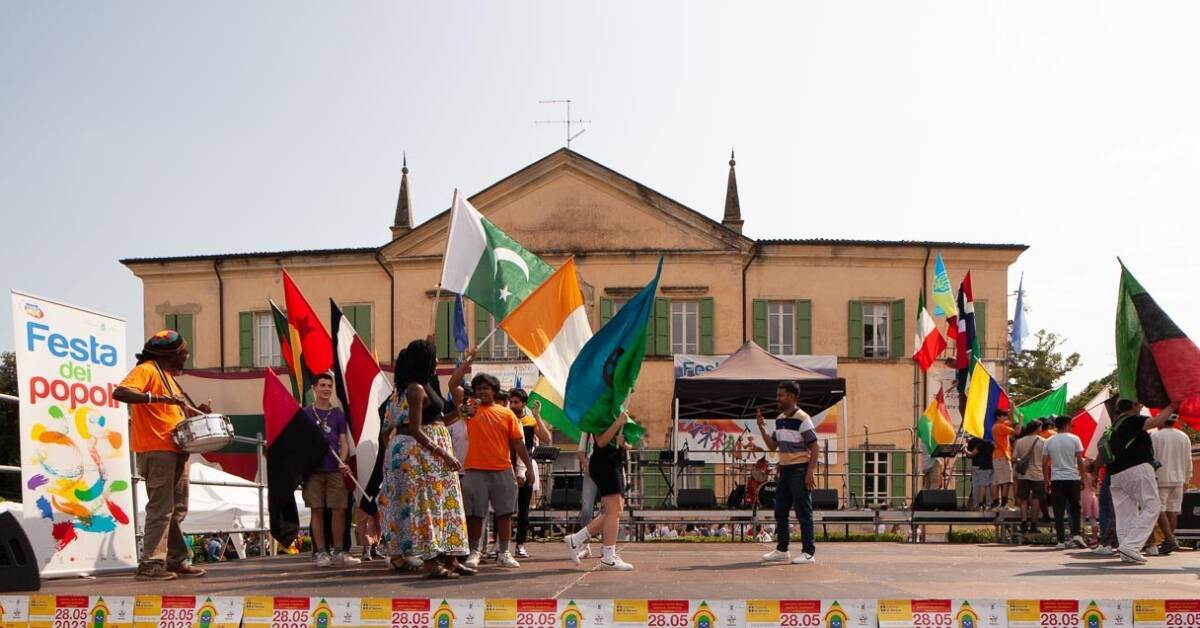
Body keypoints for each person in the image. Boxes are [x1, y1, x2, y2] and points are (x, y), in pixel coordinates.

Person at [113, 330, 209, 581]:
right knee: (161, 508)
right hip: (156, 449)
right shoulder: (146, 369)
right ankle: (150, 565)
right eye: (184, 352)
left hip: (175, 447)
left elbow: (172, 408)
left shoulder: (167, 376)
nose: (186, 356)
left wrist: (198, 412)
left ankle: (174, 560)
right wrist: (156, 396)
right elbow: (121, 392)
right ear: (172, 354)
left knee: (177, 508)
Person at [388, 339, 473, 579]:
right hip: (426, 454)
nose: (437, 360)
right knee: (430, 507)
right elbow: (416, 428)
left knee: (448, 504)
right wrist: (444, 453)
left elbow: (438, 420)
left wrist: (462, 412)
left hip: (437, 445)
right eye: (434, 356)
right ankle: (432, 562)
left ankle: (452, 558)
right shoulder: (415, 388)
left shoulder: (427, 384)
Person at [462, 373, 535, 569]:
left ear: (494, 391)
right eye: (478, 388)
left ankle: (504, 552)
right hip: (475, 468)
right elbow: (454, 389)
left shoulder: (507, 414)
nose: (482, 392)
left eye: (486, 388)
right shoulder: (469, 410)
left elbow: (518, 443)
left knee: (505, 513)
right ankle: (475, 552)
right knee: (475, 514)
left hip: (502, 468)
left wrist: (528, 467)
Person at [299, 373, 360, 569]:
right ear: (314, 389)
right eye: (322, 385)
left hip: (335, 470)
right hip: (313, 470)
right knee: (316, 510)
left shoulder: (337, 415)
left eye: (329, 386)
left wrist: (342, 461)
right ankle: (320, 552)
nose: (326, 389)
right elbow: (300, 443)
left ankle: (339, 551)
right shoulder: (306, 414)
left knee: (339, 509)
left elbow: (343, 443)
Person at [1106, 399, 1178, 563]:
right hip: (1137, 468)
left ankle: (1126, 549)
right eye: (1139, 404)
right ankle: (1131, 546)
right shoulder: (1133, 420)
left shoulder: (1114, 425)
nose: (1141, 407)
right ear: (1132, 406)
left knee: (1125, 512)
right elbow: (1158, 421)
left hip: (1116, 473)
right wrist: (1172, 405)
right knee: (1152, 506)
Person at [755, 381, 819, 565]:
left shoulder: (802, 418)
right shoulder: (780, 419)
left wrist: (810, 472)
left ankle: (808, 552)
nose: (777, 398)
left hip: (800, 469)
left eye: (780, 395)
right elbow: (773, 446)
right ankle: (782, 549)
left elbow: (814, 447)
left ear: (791, 397)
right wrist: (761, 427)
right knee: (780, 510)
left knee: (803, 512)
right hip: (785, 470)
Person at [564, 411, 635, 570]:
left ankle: (576, 540)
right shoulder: (599, 413)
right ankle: (608, 556)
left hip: (615, 463)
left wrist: (624, 443)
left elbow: (628, 444)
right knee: (613, 510)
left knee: (614, 511)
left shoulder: (617, 412)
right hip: (603, 464)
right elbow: (601, 441)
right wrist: (618, 422)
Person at [510, 388, 552, 559]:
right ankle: (498, 546)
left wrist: (537, 416)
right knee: (502, 509)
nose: (513, 405)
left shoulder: (529, 421)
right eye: (511, 402)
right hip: (506, 466)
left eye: (516, 402)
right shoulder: (505, 419)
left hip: (525, 468)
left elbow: (546, 438)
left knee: (523, 510)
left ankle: (520, 545)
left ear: (523, 404)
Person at [1042, 415, 1086, 549]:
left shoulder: (1049, 441)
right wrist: (1082, 477)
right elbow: (1079, 460)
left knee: (1058, 510)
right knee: (1075, 508)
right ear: (1067, 424)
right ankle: (1077, 534)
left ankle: (1060, 540)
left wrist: (1046, 480)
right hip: (1072, 478)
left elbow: (1044, 464)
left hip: (1056, 479)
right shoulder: (1074, 439)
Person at [1151, 413, 1191, 555]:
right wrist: (1187, 478)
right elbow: (1188, 460)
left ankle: (1169, 539)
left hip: (1160, 478)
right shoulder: (1184, 436)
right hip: (1179, 478)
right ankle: (1169, 540)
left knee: (1159, 508)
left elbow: (1151, 458)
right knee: (1172, 510)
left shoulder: (1155, 437)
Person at [1012, 420, 1046, 535]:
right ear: (1037, 428)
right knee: (1036, 500)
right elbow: (1046, 460)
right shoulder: (1043, 442)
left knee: (1023, 500)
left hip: (1023, 474)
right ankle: (1034, 525)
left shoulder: (1019, 441)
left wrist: (1021, 460)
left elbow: (1013, 458)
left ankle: (1023, 523)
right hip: (1038, 474)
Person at [574, 433, 599, 560]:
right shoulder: (587, 427)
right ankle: (585, 547)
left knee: (607, 510)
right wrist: (587, 466)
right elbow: (580, 452)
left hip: (608, 469)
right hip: (591, 470)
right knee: (586, 509)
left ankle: (607, 547)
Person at [991, 410, 1016, 509]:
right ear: (998, 417)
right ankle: (1004, 504)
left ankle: (996, 503)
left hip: (998, 456)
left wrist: (1012, 409)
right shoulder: (1000, 426)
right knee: (1006, 481)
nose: (1006, 418)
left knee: (997, 481)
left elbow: (1011, 422)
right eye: (1004, 416)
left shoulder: (997, 425)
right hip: (1002, 456)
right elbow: (1016, 431)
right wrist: (1021, 420)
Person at [965, 434, 995, 511]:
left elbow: (970, 455)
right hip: (989, 466)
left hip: (977, 466)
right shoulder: (992, 443)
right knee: (988, 486)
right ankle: (989, 505)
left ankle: (977, 505)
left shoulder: (976, 442)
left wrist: (964, 449)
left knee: (976, 486)